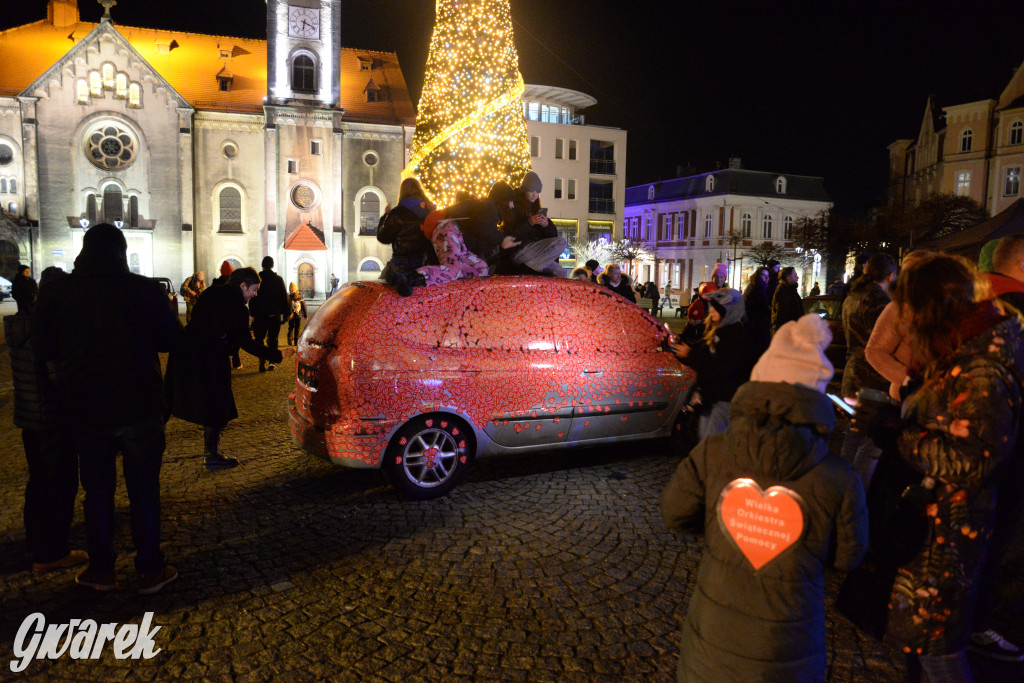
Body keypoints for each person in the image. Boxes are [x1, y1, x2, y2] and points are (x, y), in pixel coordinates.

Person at [661, 313, 868, 683]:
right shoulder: (840, 476)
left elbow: (676, 514)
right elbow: (848, 555)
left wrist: (725, 527)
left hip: (713, 640)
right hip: (789, 647)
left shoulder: (713, 452)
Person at [871, 254, 1024, 681]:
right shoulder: (972, 342)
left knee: (938, 643)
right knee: (929, 642)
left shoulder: (983, 363)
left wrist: (899, 434)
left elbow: (973, 457)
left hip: (951, 525)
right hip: (940, 517)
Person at [33, 224, 181, 593]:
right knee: (144, 491)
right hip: (140, 405)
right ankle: (149, 569)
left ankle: (102, 570)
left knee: (97, 492)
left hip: (86, 410)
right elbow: (170, 340)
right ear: (121, 251)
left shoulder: (60, 293)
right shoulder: (144, 289)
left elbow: (45, 349)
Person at [166, 267, 295, 470]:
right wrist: (277, 354)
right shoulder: (238, 308)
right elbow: (247, 343)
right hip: (210, 359)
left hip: (186, 352)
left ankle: (149, 435)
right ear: (242, 285)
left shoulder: (211, 292)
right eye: (254, 289)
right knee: (216, 406)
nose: (255, 294)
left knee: (175, 398)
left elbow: (198, 321)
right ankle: (212, 456)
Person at [6, 266, 86, 574]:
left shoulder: (21, 326)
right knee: (60, 484)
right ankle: (51, 553)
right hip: (53, 419)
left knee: (38, 482)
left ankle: (34, 544)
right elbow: (58, 377)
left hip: (28, 418)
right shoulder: (49, 329)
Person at [839, 253, 896, 487]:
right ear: (891, 276)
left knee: (853, 436)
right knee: (871, 438)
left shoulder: (853, 296)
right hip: (872, 379)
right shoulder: (879, 302)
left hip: (852, 374)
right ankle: (854, 489)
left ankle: (840, 485)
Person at [670, 288, 752, 439]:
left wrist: (690, 354)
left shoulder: (736, 335)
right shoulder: (716, 330)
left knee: (713, 445)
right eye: (712, 306)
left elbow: (721, 367)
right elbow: (702, 354)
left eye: (717, 308)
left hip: (725, 400)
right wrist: (679, 346)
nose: (711, 310)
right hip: (711, 399)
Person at [416, 181, 520, 286]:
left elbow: (479, 234)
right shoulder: (488, 206)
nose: (512, 206)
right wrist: (502, 239)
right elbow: (482, 228)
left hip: (458, 238)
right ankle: (414, 277)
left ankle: (466, 293)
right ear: (503, 201)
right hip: (449, 231)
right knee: (453, 269)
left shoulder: (489, 211)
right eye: (511, 201)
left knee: (481, 267)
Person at [498, 171, 566, 277]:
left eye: (538, 191)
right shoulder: (514, 207)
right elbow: (511, 233)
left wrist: (546, 225)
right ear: (524, 190)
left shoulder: (536, 209)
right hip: (520, 250)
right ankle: (530, 269)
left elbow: (552, 236)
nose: (535, 194)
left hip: (535, 253)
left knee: (560, 272)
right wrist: (530, 222)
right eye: (531, 190)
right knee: (561, 242)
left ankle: (533, 268)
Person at [377, 177, 436, 296]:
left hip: (401, 264)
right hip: (425, 264)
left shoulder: (397, 213)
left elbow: (383, 238)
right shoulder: (430, 211)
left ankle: (401, 280)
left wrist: (385, 217)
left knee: (383, 292)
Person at [248, 256, 289, 372]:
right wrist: (286, 313)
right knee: (273, 338)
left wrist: (252, 313)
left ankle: (261, 358)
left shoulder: (257, 279)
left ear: (262, 265)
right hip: (274, 315)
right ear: (272, 266)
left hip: (260, 315)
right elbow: (283, 296)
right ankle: (272, 361)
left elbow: (252, 297)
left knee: (259, 338)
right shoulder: (278, 279)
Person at [210, 260, 242, 370]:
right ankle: (236, 359)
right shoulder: (233, 284)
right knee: (235, 337)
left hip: (218, 316)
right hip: (231, 316)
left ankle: (221, 361)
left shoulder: (215, 284)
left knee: (220, 338)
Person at [742, 267, 771, 362]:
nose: (766, 278)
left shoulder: (757, 287)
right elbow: (757, 310)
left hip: (753, 326)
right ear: (758, 276)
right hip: (756, 327)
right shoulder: (757, 289)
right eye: (763, 275)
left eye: (768, 276)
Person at [770, 266, 802, 334]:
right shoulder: (783, 292)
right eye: (795, 275)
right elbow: (781, 316)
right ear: (788, 278)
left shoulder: (790, 290)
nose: (797, 277)